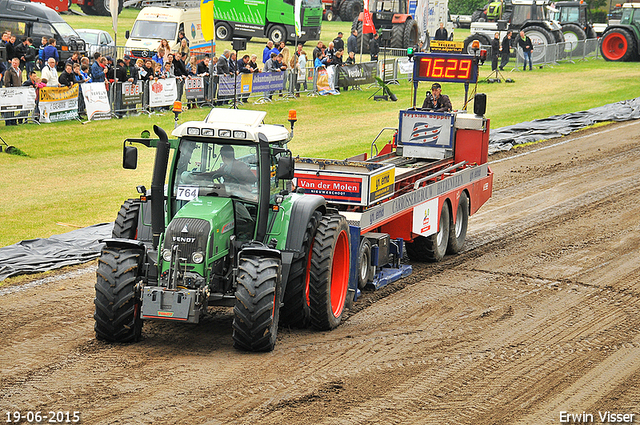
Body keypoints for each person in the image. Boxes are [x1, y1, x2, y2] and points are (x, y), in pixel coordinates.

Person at [3, 57, 22, 125]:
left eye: (16, 63)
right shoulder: (8, 71)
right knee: (9, 106)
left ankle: (12, 120)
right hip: (10, 91)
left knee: (14, 106)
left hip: (17, 91)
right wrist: (10, 88)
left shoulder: (19, 71)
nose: (14, 64)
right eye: (13, 63)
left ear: (18, 64)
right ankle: (8, 121)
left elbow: (20, 80)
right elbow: (6, 82)